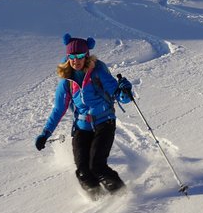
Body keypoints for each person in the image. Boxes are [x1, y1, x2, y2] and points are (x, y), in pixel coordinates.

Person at [35, 33, 133, 199]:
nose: (76, 60)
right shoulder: (66, 81)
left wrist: (125, 90)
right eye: (72, 56)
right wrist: (45, 133)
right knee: (83, 171)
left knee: (97, 166)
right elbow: (58, 109)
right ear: (68, 58)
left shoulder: (98, 71)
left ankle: (124, 196)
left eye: (80, 56)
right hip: (82, 127)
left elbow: (119, 95)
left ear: (86, 56)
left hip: (104, 122)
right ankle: (98, 199)